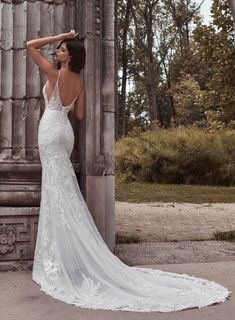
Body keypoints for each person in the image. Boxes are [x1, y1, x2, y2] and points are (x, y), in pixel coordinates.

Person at [26, 31, 230, 312]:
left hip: (50, 130)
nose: (57, 51)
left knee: (55, 192)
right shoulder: (79, 82)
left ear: (71, 55)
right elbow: (80, 116)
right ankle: (71, 255)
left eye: (61, 49)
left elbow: (29, 46)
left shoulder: (55, 75)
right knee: (64, 191)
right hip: (65, 133)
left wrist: (64, 35)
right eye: (58, 48)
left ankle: (58, 261)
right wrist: (63, 101)